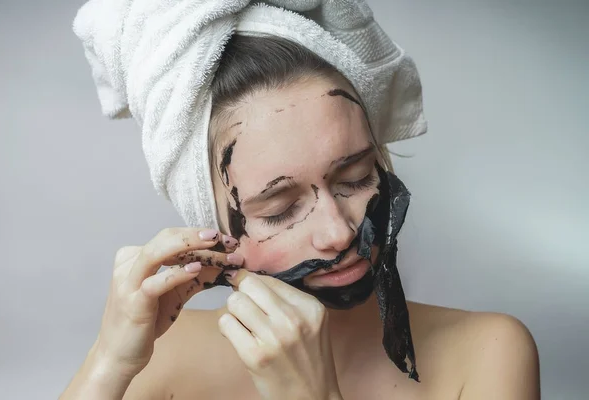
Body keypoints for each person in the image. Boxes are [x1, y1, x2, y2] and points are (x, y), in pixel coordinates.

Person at [62, 15, 540, 400]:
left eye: (354, 178)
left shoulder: (490, 353)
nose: (338, 233)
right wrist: (108, 362)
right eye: (279, 210)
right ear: (212, 225)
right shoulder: (163, 354)